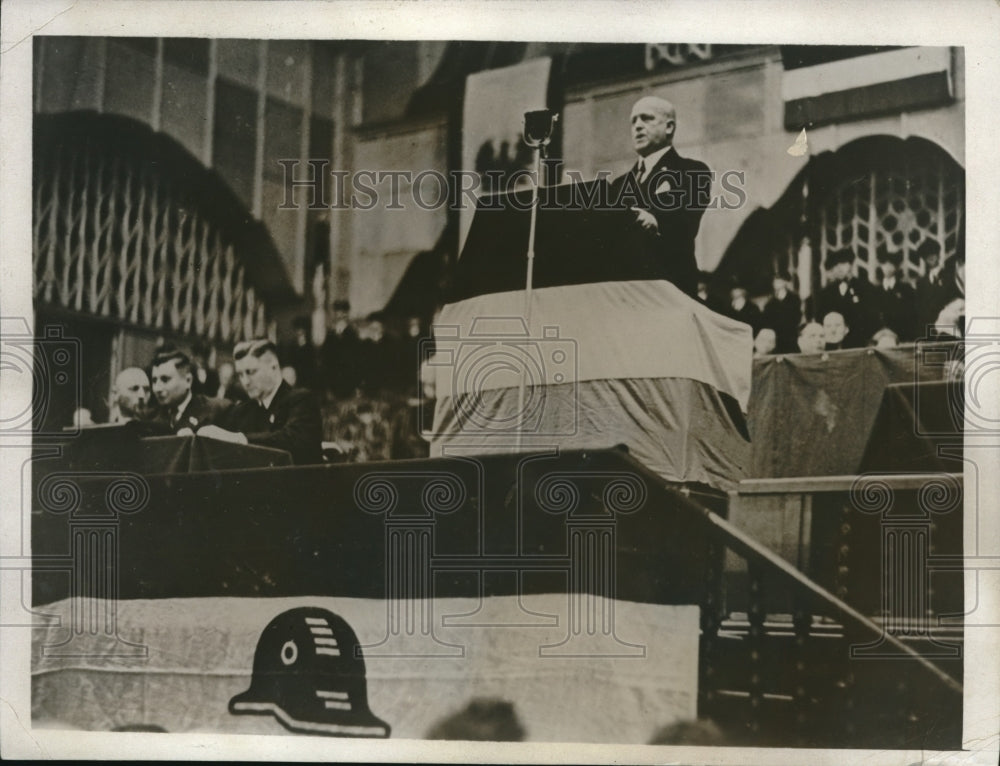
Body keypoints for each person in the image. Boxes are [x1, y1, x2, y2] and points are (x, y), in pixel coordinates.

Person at [608, 96, 711, 297]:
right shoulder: (619, 185)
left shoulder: (692, 171)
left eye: (646, 119)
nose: (637, 126)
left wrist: (655, 220)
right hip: (627, 293)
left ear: (669, 127)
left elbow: (686, 223)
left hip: (669, 290)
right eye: (633, 121)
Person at [197, 339, 323, 464]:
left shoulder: (302, 400)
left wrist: (240, 439)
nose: (245, 382)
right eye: (240, 375)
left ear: (273, 367)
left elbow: (292, 440)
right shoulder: (243, 411)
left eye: (251, 372)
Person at [150, 347, 231, 433]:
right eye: (154, 381)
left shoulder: (214, 410)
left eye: (165, 379)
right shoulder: (152, 417)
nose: (157, 388)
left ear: (188, 381)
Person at [811, 248, 874, 348]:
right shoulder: (826, 293)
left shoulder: (865, 287)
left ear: (851, 265)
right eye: (836, 265)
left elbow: (870, 317)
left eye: (843, 264)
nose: (839, 269)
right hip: (832, 343)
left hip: (859, 342)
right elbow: (820, 317)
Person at [872, 252, 916, 342]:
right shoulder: (875, 291)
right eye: (884, 264)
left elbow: (911, 316)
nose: (887, 268)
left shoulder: (906, 289)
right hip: (880, 337)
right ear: (880, 266)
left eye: (891, 264)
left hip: (901, 337)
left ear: (896, 267)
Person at [322, 299, 361, 398]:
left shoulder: (352, 334)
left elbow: (356, 360)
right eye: (337, 312)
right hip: (333, 382)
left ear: (346, 314)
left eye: (342, 312)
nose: (339, 315)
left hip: (348, 381)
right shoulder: (330, 335)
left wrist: (357, 384)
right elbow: (326, 359)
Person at [760, 272, 802, 354]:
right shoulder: (770, 303)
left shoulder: (794, 299)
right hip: (776, 337)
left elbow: (797, 317)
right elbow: (766, 319)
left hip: (790, 336)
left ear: (784, 282)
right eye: (774, 281)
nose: (775, 284)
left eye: (778, 281)